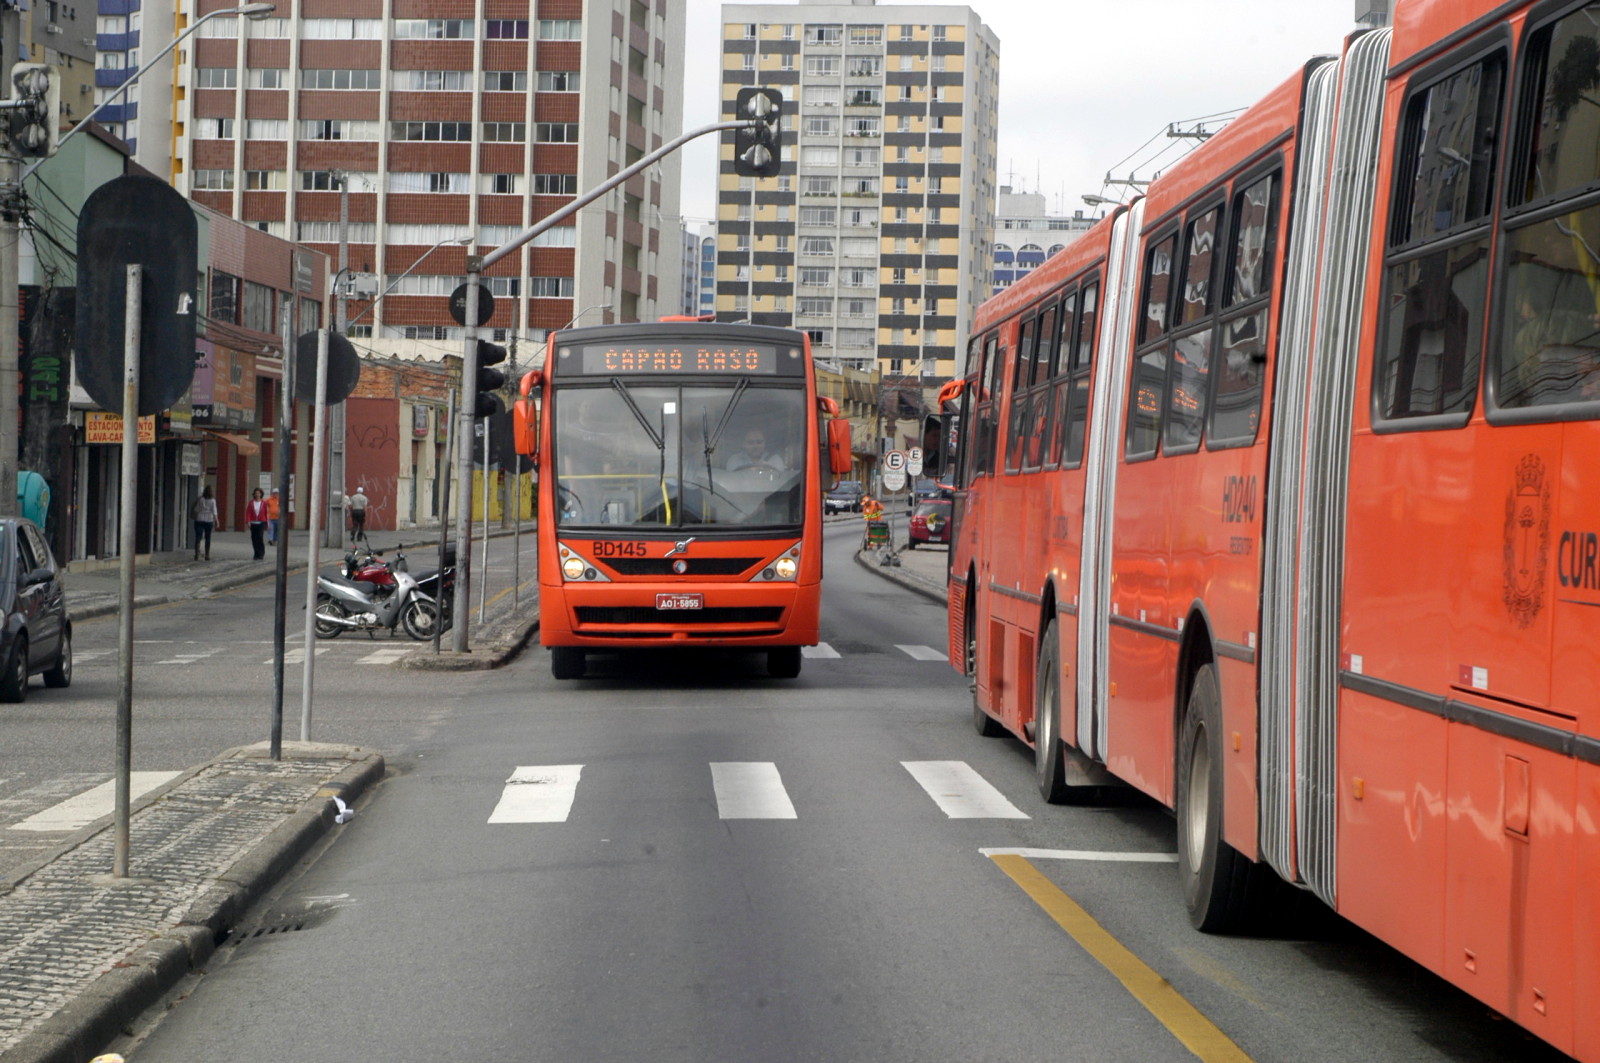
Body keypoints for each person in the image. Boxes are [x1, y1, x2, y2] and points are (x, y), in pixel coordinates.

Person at [191, 485, 217, 560]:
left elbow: (196, 509)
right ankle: (207, 554)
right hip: (209, 520)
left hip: (199, 519)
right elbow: (214, 511)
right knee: (208, 537)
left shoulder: (201, 499)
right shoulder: (213, 500)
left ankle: (196, 553)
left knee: (198, 537)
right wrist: (217, 521)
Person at [245, 487, 269, 560]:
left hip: (261, 522)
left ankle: (261, 553)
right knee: (254, 539)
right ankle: (256, 553)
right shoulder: (251, 503)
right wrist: (248, 521)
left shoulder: (264, 503)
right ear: (254, 494)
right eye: (256, 493)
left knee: (260, 537)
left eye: (258, 493)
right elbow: (248, 512)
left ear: (261, 494)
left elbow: (266, 513)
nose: (257, 494)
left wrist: (267, 523)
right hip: (253, 522)